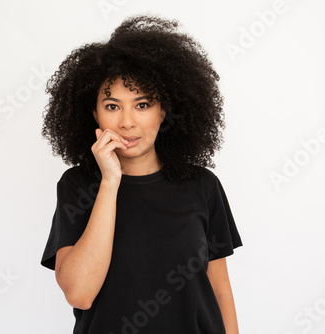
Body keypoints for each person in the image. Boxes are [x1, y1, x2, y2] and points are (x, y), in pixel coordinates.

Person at [40, 13, 243, 334]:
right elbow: (79, 293)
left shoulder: (203, 186)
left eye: (143, 104)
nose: (127, 122)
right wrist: (109, 181)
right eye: (112, 106)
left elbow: (219, 290)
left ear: (163, 110)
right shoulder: (78, 186)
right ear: (94, 112)